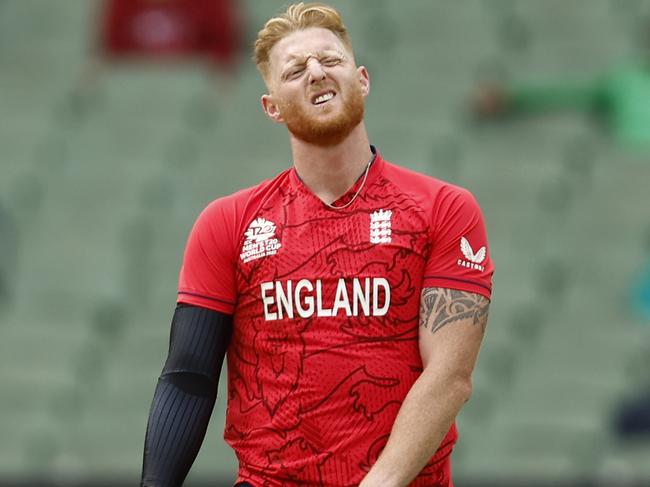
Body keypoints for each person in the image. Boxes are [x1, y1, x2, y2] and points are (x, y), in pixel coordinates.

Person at [141, 3, 494, 486]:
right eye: (294, 70)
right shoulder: (229, 223)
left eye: (330, 60)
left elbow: (449, 378)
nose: (315, 73)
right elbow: (189, 377)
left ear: (362, 79)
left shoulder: (444, 209)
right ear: (272, 107)